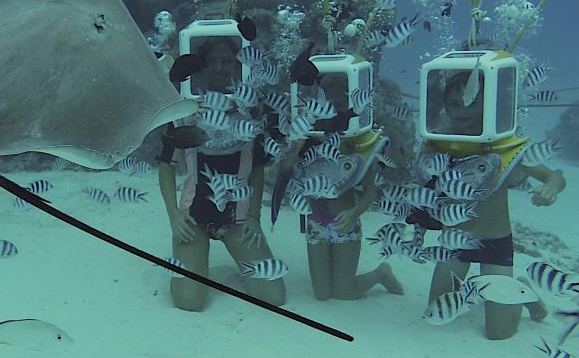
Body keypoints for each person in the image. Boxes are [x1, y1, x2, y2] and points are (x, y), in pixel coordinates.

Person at [422, 71, 566, 339]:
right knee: (437, 312)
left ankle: (524, 292)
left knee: (498, 334)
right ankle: (505, 290)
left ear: (487, 103)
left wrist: (550, 188)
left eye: (471, 102)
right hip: (454, 242)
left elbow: (554, 176)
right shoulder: (438, 143)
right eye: (454, 103)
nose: (462, 110)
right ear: (444, 105)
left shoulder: (503, 145)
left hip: (495, 242)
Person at [158, 37, 286, 311]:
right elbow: (166, 167)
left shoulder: (251, 110)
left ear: (239, 65)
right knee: (189, 301)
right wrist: (174, 217)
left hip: (237, 218)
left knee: (274, 296)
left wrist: (253, 216)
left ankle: (221, 259)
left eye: (226, 61)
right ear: (201, 67)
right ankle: (189, 265)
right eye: (211, 61)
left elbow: (258, 168)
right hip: (193, 216)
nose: (218, 68)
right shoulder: (185, 111)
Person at [283, 73, 404, 301]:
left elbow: (370, 190)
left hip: (345, 225)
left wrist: (353, 213)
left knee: (343, 292)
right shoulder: (305, 140)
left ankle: (381, 273)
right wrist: (292, 151)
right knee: (321, 294)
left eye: (339, 108)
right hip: (316, 225)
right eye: (326, 107)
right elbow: (286, 176)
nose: (332, 116)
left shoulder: (354, 143)